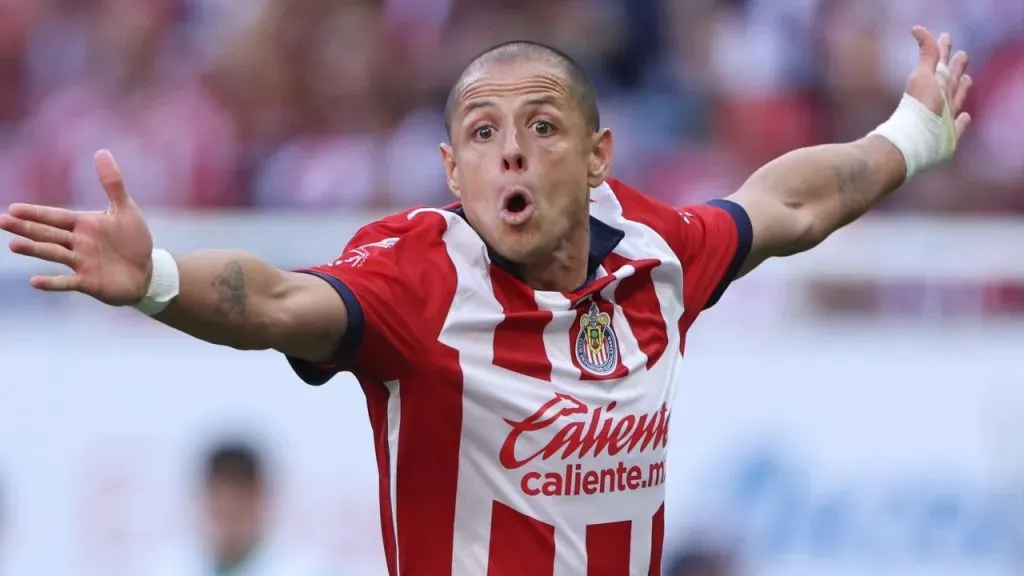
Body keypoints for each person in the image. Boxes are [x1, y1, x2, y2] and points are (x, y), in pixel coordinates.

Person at [0, 27, 972, 575]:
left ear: (597, 159)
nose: (509, 150)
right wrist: (159, 280)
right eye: (481, 132)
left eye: (541, 126)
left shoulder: (654, 256)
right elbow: (271, 300)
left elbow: (789, 203)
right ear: (452, 172)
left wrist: (913, 133)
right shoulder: (415, 284)